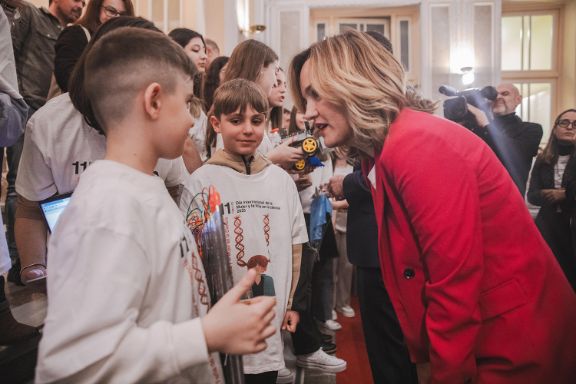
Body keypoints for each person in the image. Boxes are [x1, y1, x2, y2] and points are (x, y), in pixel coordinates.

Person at [290, 29, 576, 383]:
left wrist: (445, 371)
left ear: (354, 83)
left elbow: (453, 279)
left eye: (315, 95)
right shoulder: (388, 147)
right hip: (490, 333)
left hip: (513, 336)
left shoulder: (418, 145)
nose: (307, 113)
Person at [36, 27, 277, 384]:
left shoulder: (146, 185)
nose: (191, 119)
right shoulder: (107, 209)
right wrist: (204, 335)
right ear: (153, 101)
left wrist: (213, 320)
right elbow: (72, 364)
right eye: (186, 102)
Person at [14, 17, 188, 286]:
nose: (188, 118)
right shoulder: (49, 126)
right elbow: (30, 209)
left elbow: (175, 190)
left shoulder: (162, 129)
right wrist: (35, 272)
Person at [180, 78, 307, 384]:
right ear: (216, 123)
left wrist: (293, 304)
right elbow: (191, 259)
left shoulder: (281, 181)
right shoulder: (202, 181)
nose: (248, 129)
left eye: (256, 120)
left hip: (267, 316)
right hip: (219, 321)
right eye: (236, 121)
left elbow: (296, 246)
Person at [326, 30, 419, 383]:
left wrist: (346, 184)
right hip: (378, 242)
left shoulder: (396, 121)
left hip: (389, 247)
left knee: (392, 351)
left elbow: (382, 175)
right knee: (386, 348)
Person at [4, 0, 85, 285]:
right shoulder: (29, 16)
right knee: (20, 190)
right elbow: (9, 57)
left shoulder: (73, 32)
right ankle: (19, 263)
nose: (80, 5)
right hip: (28, 110)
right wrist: (18, 104)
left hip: (52, 111)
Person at [220, 39, 304, 168]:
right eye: (275, 71)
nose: (276, 82)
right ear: (259, 70)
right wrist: (275, 157)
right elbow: (231, 168)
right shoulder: (230, 108)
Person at [527, 109, 576, 290]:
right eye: (564, 123)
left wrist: (566, 194)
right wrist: (549, 194)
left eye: (575, 124)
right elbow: (532, 195)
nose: (570, 127)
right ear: (555, 128)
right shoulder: (542, 159)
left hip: (571, 228)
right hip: (548, 226)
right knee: (548, 280)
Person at [469, 83, 543, 196]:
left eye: (505, 94)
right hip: (479, 197)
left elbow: (515, 152)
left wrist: (486, 124)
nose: (498, 97)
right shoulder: (479, 129)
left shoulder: (532, 129)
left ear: (518, 99)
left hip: (510, 200)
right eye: (494, 95)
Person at [54, 0, 134, 92]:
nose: (116, 18)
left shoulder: (124, 46)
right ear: (96, 9)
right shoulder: (75, 34)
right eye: (111, 11)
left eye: (123, 15)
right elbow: (67, 79)